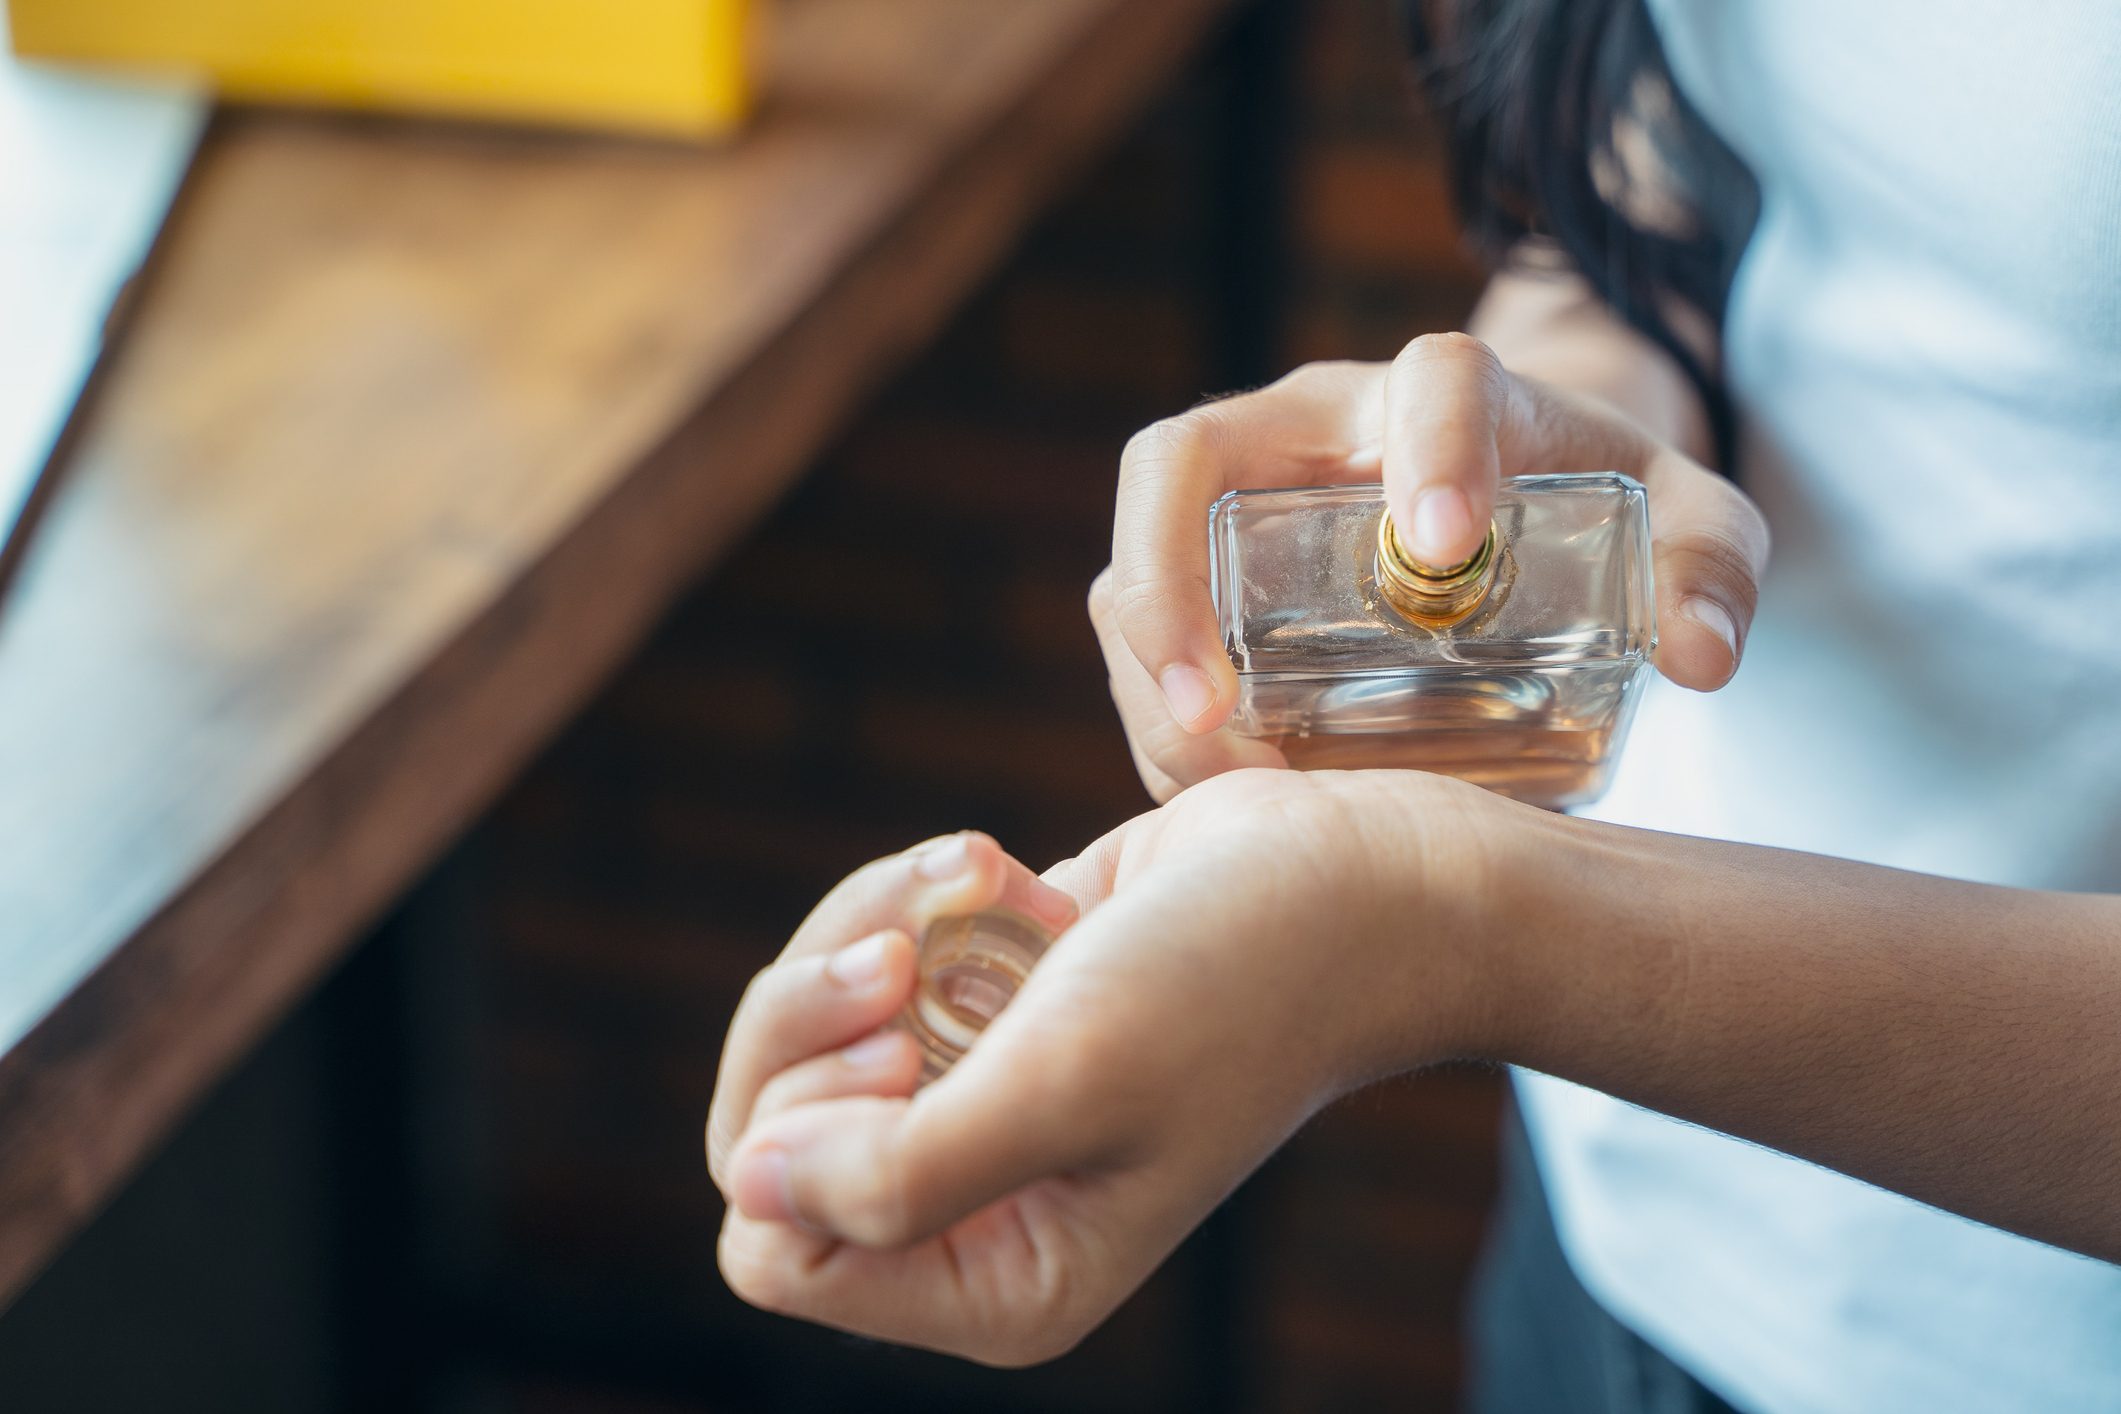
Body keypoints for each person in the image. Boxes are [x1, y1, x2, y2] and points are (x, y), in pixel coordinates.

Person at [704, 2, 2121, 1408]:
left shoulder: (1493, 928)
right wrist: (1524, 471)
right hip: (1617, 1229)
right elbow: (1670, 175)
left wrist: (1466, 924)